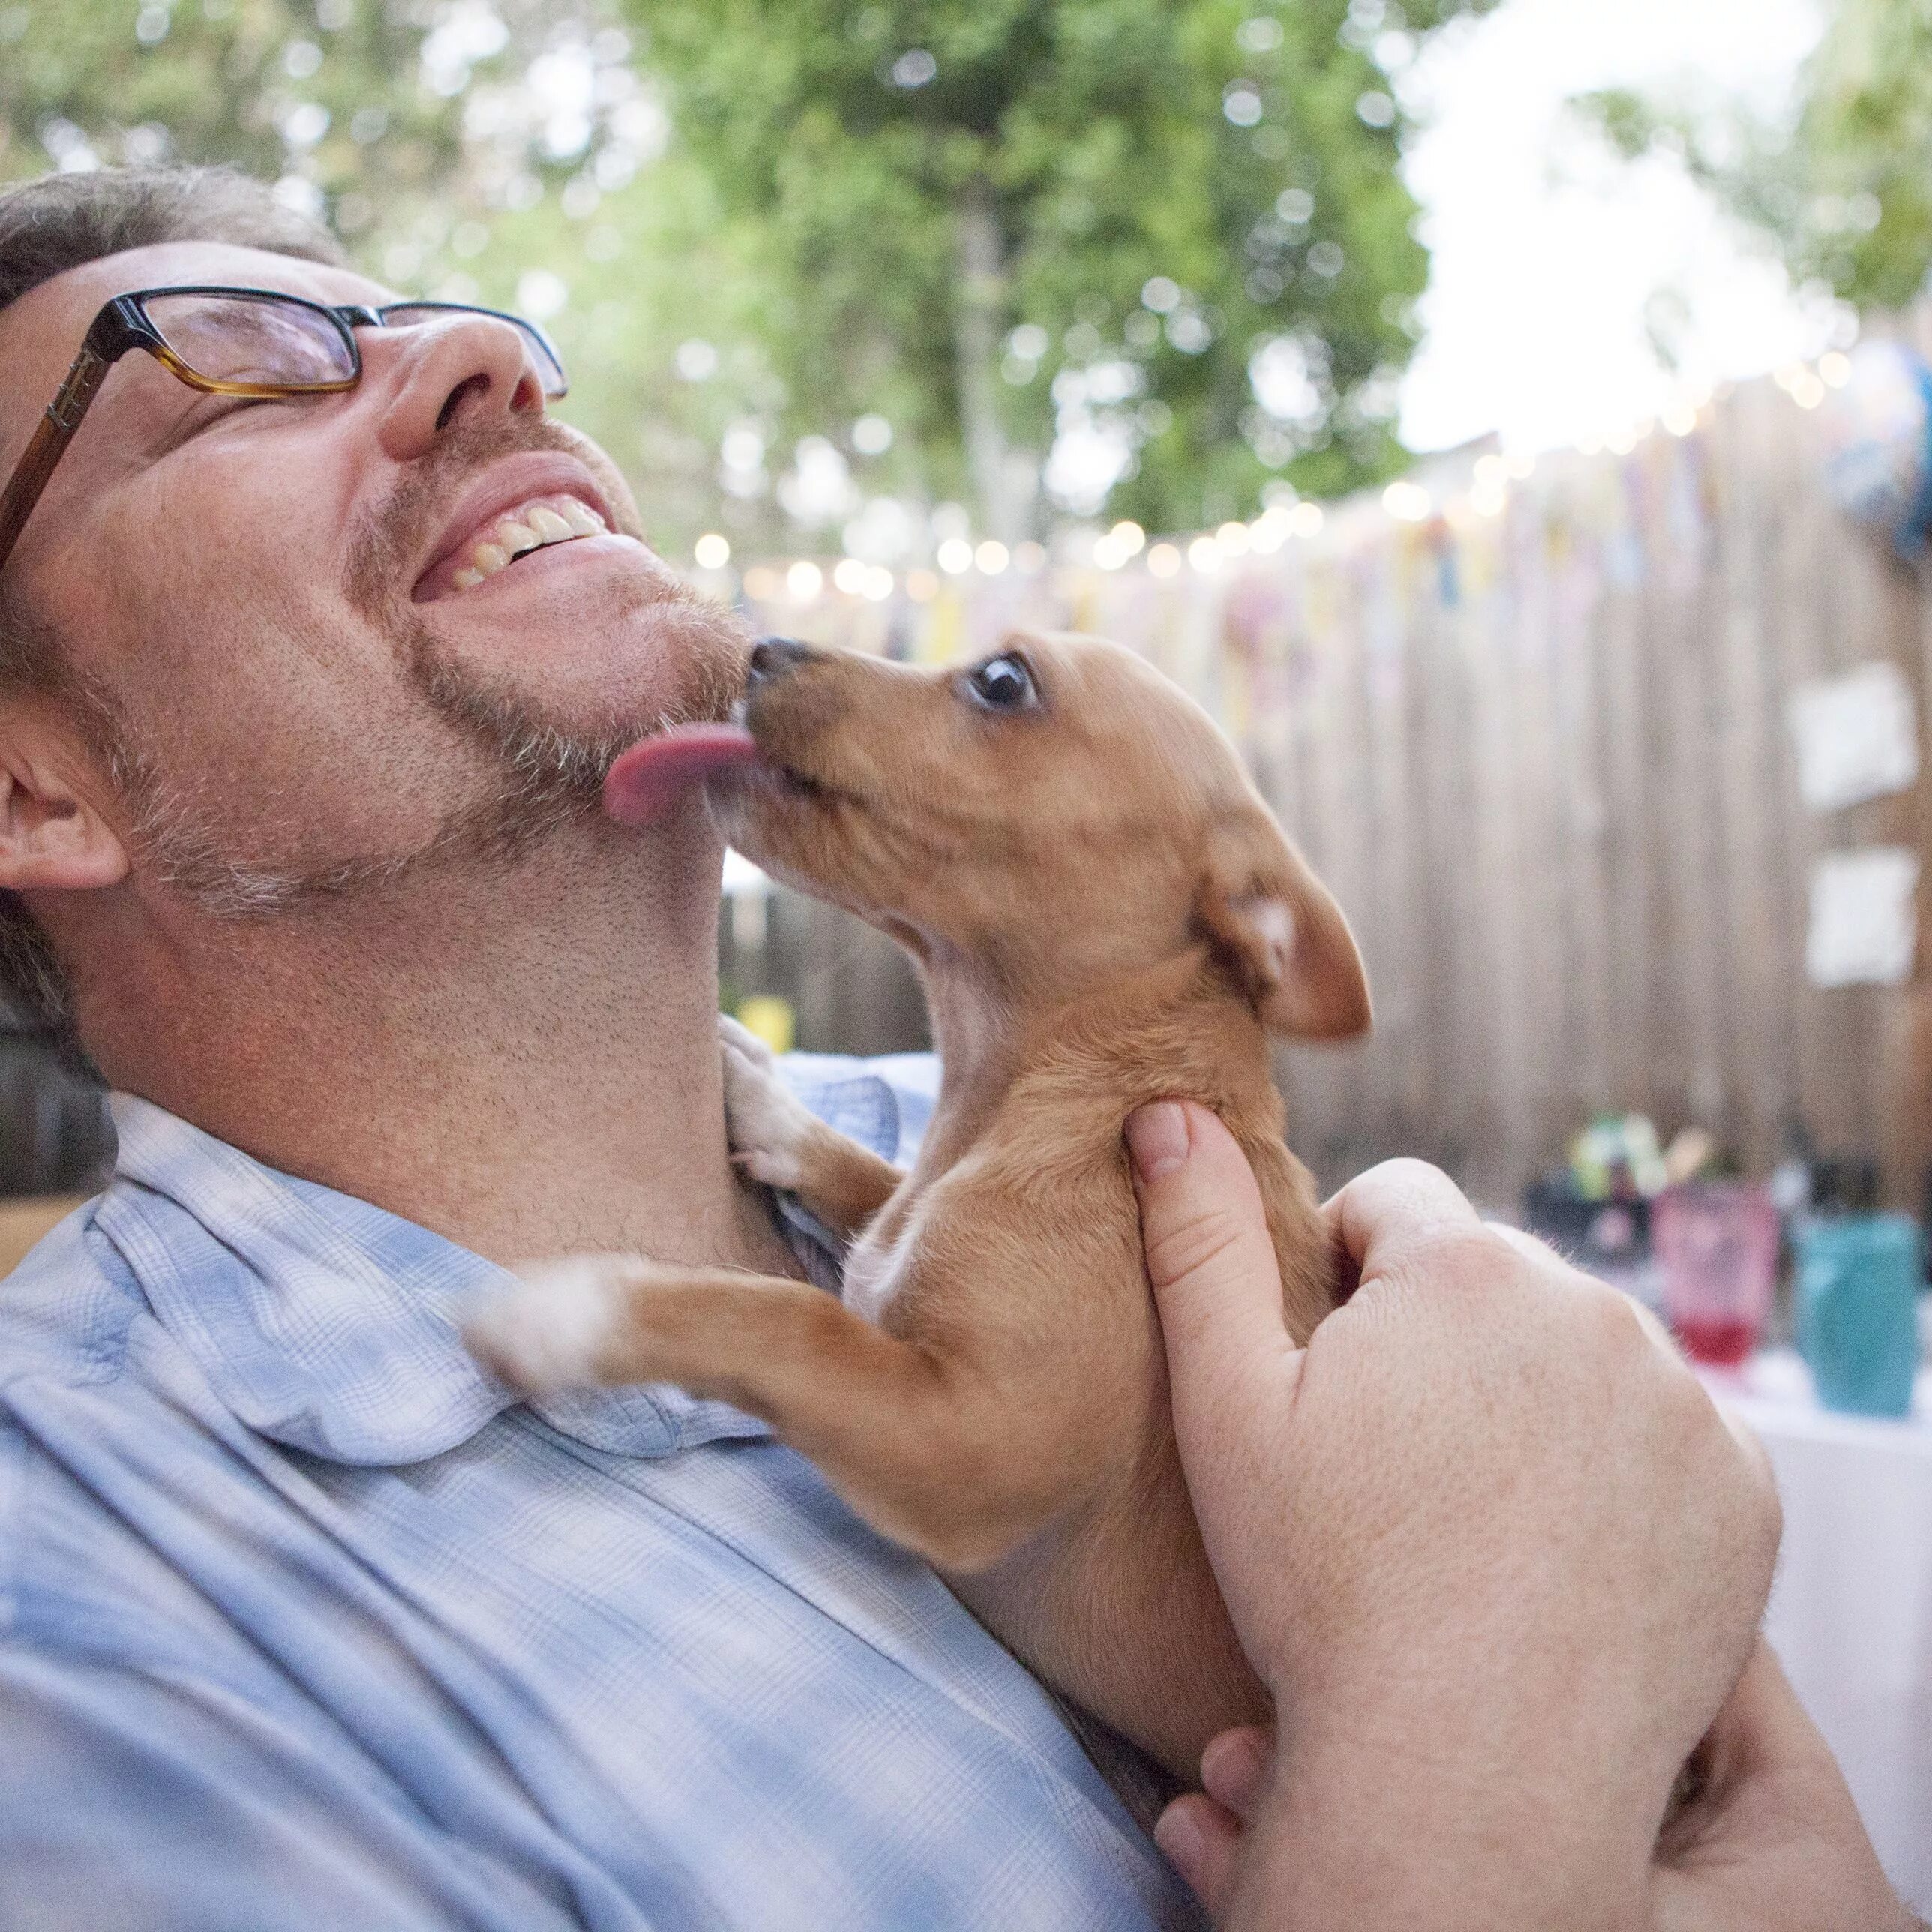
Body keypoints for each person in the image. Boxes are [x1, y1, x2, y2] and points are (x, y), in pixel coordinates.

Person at [0, 163, 1901, 1928]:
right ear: (27, 777)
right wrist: (1469, 1744)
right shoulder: (77, 1605)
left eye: (441, 313)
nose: (480, 350)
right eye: (229, 364)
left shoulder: (1008, 1153)